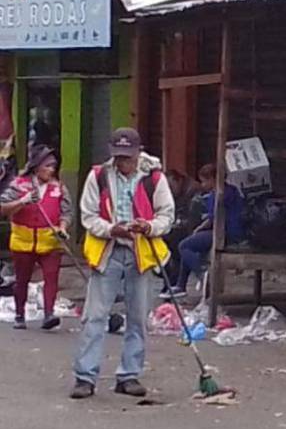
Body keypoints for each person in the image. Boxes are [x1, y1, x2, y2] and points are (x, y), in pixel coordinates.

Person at [70, 128, 174, 400]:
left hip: (141, 252)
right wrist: (111, 230)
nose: (123, 163)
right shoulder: (99, 176)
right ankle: (85, 377)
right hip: (108, 251)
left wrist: (148, 226)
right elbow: (88, 216)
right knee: (95, 316)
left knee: (138, 317)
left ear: (139, 152)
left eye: (128, 157)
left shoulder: (154, 178)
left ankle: (129, 375)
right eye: (119, 157)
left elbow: (167, 215)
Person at [0, 145, 73, 331]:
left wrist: (63, 228)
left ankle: (49, 314)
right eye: (48, 165)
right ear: (37, 166)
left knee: (51, 277)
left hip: (49, 242)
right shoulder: (19, 185)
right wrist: (22, 202)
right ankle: (19, 314)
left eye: (53, 166)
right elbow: (3, 208)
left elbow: (66, 213)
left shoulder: (59, 188)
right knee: (21, 280)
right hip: (23, 242)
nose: (52, 170)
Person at [167, 164, 244, 297]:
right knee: (189, 242)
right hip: (226, 230)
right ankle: (181, 284)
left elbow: (213, 218)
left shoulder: (220, 194)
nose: (202, 185)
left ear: (214, 179)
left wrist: (199, 228)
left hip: (225, 233)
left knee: (184, 246)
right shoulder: (231, 190)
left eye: (204, 181)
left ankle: (202, 273)